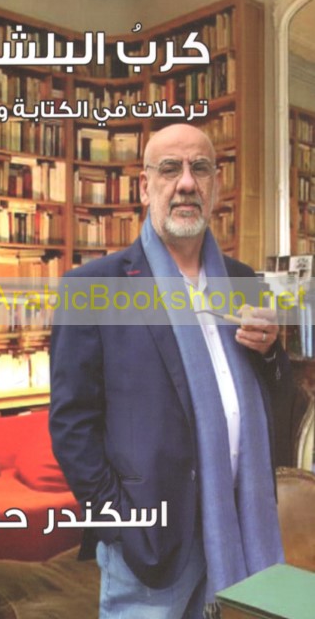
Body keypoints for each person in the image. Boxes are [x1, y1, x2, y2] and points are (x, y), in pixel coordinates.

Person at [49, 124, 294, 619]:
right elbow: (71, 426)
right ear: (145, 187)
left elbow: (282, 402)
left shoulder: (244, 281)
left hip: (241, 529)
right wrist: (121, 522)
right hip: (150, 544)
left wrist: (271, 353)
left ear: (215, 185)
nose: (186, 182)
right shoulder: (93, 287)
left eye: (199, 168)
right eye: (169, 169)